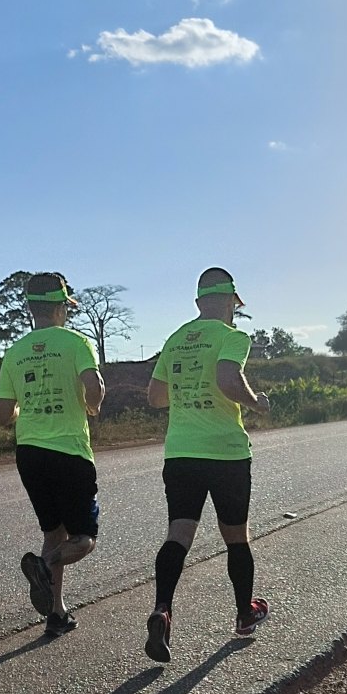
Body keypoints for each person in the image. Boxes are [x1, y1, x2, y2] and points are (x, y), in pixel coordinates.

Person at [143, 267, 272, 663]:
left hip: (181, 452)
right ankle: (244, 615)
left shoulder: (176, 339)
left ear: (199, 302)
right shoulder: (233, 337)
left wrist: (186, 394)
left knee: (178, 534)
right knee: (236, 536)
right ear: (233, 303)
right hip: (226, 453)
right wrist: (256, 403)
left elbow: (155, 397)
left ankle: (162, 609)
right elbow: (227, 379)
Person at [0, 272, 105, 637]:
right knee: (84, 538)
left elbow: (2, 414)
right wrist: (92, 406)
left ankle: (56, 614)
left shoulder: (15, 352)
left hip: (29, 454)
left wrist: (19, 412)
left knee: (53, 530)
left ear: (30, 308)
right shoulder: (76, 343)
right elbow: (94, 388)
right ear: (61, 308)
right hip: (70, 451)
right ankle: (42, 567)